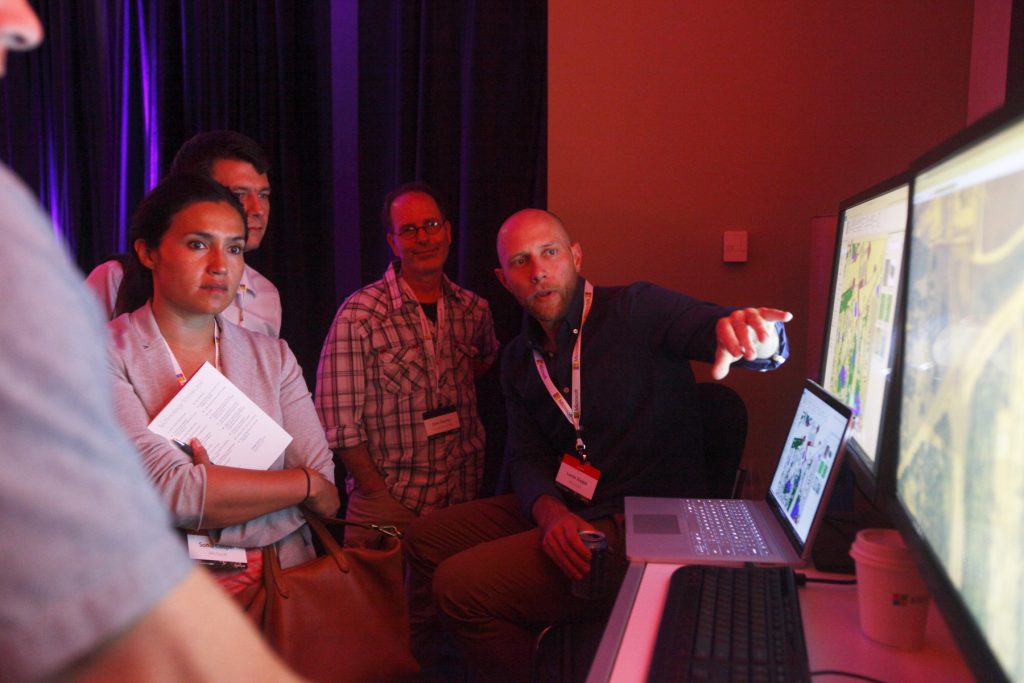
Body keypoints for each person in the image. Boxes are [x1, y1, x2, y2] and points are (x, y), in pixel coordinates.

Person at [0, 2, 303, 680]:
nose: (248, 211)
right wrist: (278, 483)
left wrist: (288, 482)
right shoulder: (103, 300)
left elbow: (291, 445)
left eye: (259, 197)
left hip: (258, 543)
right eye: (229, 197)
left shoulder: (270, 312)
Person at [403, 209, 792, 682]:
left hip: (648, 520)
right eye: (521, 262)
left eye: (550, 253)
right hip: (575, 505)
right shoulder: (517, 360)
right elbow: (525, 456)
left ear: (576, 256)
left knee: (458, 588)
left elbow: (713, 326)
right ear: (504, 280)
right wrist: (549, 514)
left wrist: (759, 339)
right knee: (424, 541)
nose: (539, 271)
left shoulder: (636, 309)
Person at [107, 173, 339, 595]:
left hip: (286, 581)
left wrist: (218, 494)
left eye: (233, 248)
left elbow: (328, 490)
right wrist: (299, 486)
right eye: (198, 244)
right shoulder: (104, 353)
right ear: (147, 252)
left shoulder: (273, 356)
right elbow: (172, 492)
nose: (220, 265)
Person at [314, 181, 500, 547]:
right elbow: (337, 421)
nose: (423, 238)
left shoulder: (474, 310)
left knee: (454, 601)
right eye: (409, 230)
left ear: (447, 232)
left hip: (461, 498)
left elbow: (484, 363)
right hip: (392, 502)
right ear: (393, 242)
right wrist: (374, 490)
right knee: (378, 604)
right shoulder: (360, 314)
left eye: (431, 226)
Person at [85, 130, 282, 336]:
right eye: (239, 195)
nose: (258, 210)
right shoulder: (116, 278)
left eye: (263, 195)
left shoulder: (266, 296)